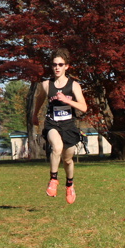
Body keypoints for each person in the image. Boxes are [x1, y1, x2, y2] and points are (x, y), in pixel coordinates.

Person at [32, 48, 87, 204]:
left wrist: (67, 100)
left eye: (60, 65)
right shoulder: (46, 85)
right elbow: (39, 99)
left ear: (66, 66)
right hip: (52, 123)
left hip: (68, 125)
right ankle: (53, 180)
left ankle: (69, 185)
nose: (57, 67)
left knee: (67, 159)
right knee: (56, 147)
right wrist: (35, 114)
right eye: (54, 64)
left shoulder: (74, 85)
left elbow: (83, 107)